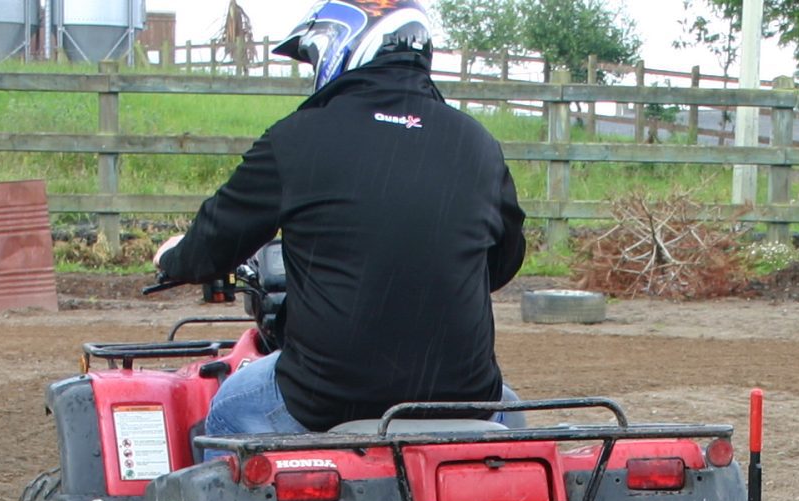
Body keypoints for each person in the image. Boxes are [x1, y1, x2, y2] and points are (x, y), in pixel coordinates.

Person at [153, 0, 527, 436]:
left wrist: (172, 259)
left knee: (227, 407)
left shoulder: (297, 138)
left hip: (327, 399)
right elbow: (503, 263)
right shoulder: (478, 144)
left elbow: (213, 245)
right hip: (465, 397)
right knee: (511, 408)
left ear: (341, 44)